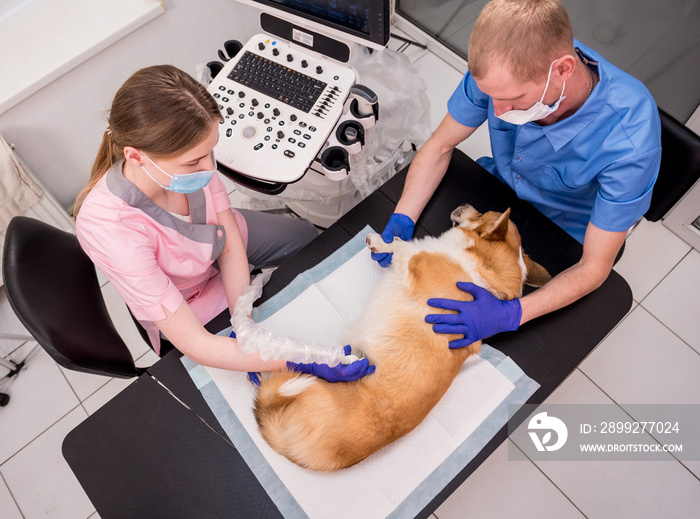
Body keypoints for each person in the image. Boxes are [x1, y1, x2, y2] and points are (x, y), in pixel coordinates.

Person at [372, 0, 661, 347]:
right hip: (496, 194)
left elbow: (594, 267)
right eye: (491, 96)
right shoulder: (501, 70)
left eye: (513, 99)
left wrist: (511, 315)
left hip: (561, 233)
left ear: (564, 70)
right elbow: (439, 147)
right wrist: (402, 218)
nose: (497, 110)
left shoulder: (630, 140)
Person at [75, 64, 373, 382]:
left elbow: (229, 241)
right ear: (136, 157)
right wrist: (300, 360)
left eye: (210, 152)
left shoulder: (190, 164)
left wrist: (242, 318)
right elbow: (196, 344)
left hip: (217, 239)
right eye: (193, 162)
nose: (209, 168)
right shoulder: (108, 227)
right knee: (260, 351)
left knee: (305, 237)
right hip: (189, 298)